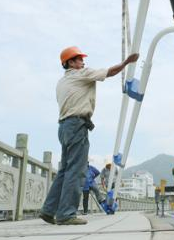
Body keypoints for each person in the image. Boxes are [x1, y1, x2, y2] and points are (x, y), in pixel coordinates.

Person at [39, 46, 138, 225]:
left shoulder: (61, 82)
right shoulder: (81, 74)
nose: (82, 62)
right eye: (78, 59)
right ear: (69, 62)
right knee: (76, 170)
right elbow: (109, 72)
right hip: (77, 125)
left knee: (64, 171)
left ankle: (48, 210)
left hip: (64, 126)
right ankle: (66, 214)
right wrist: (126, 63)